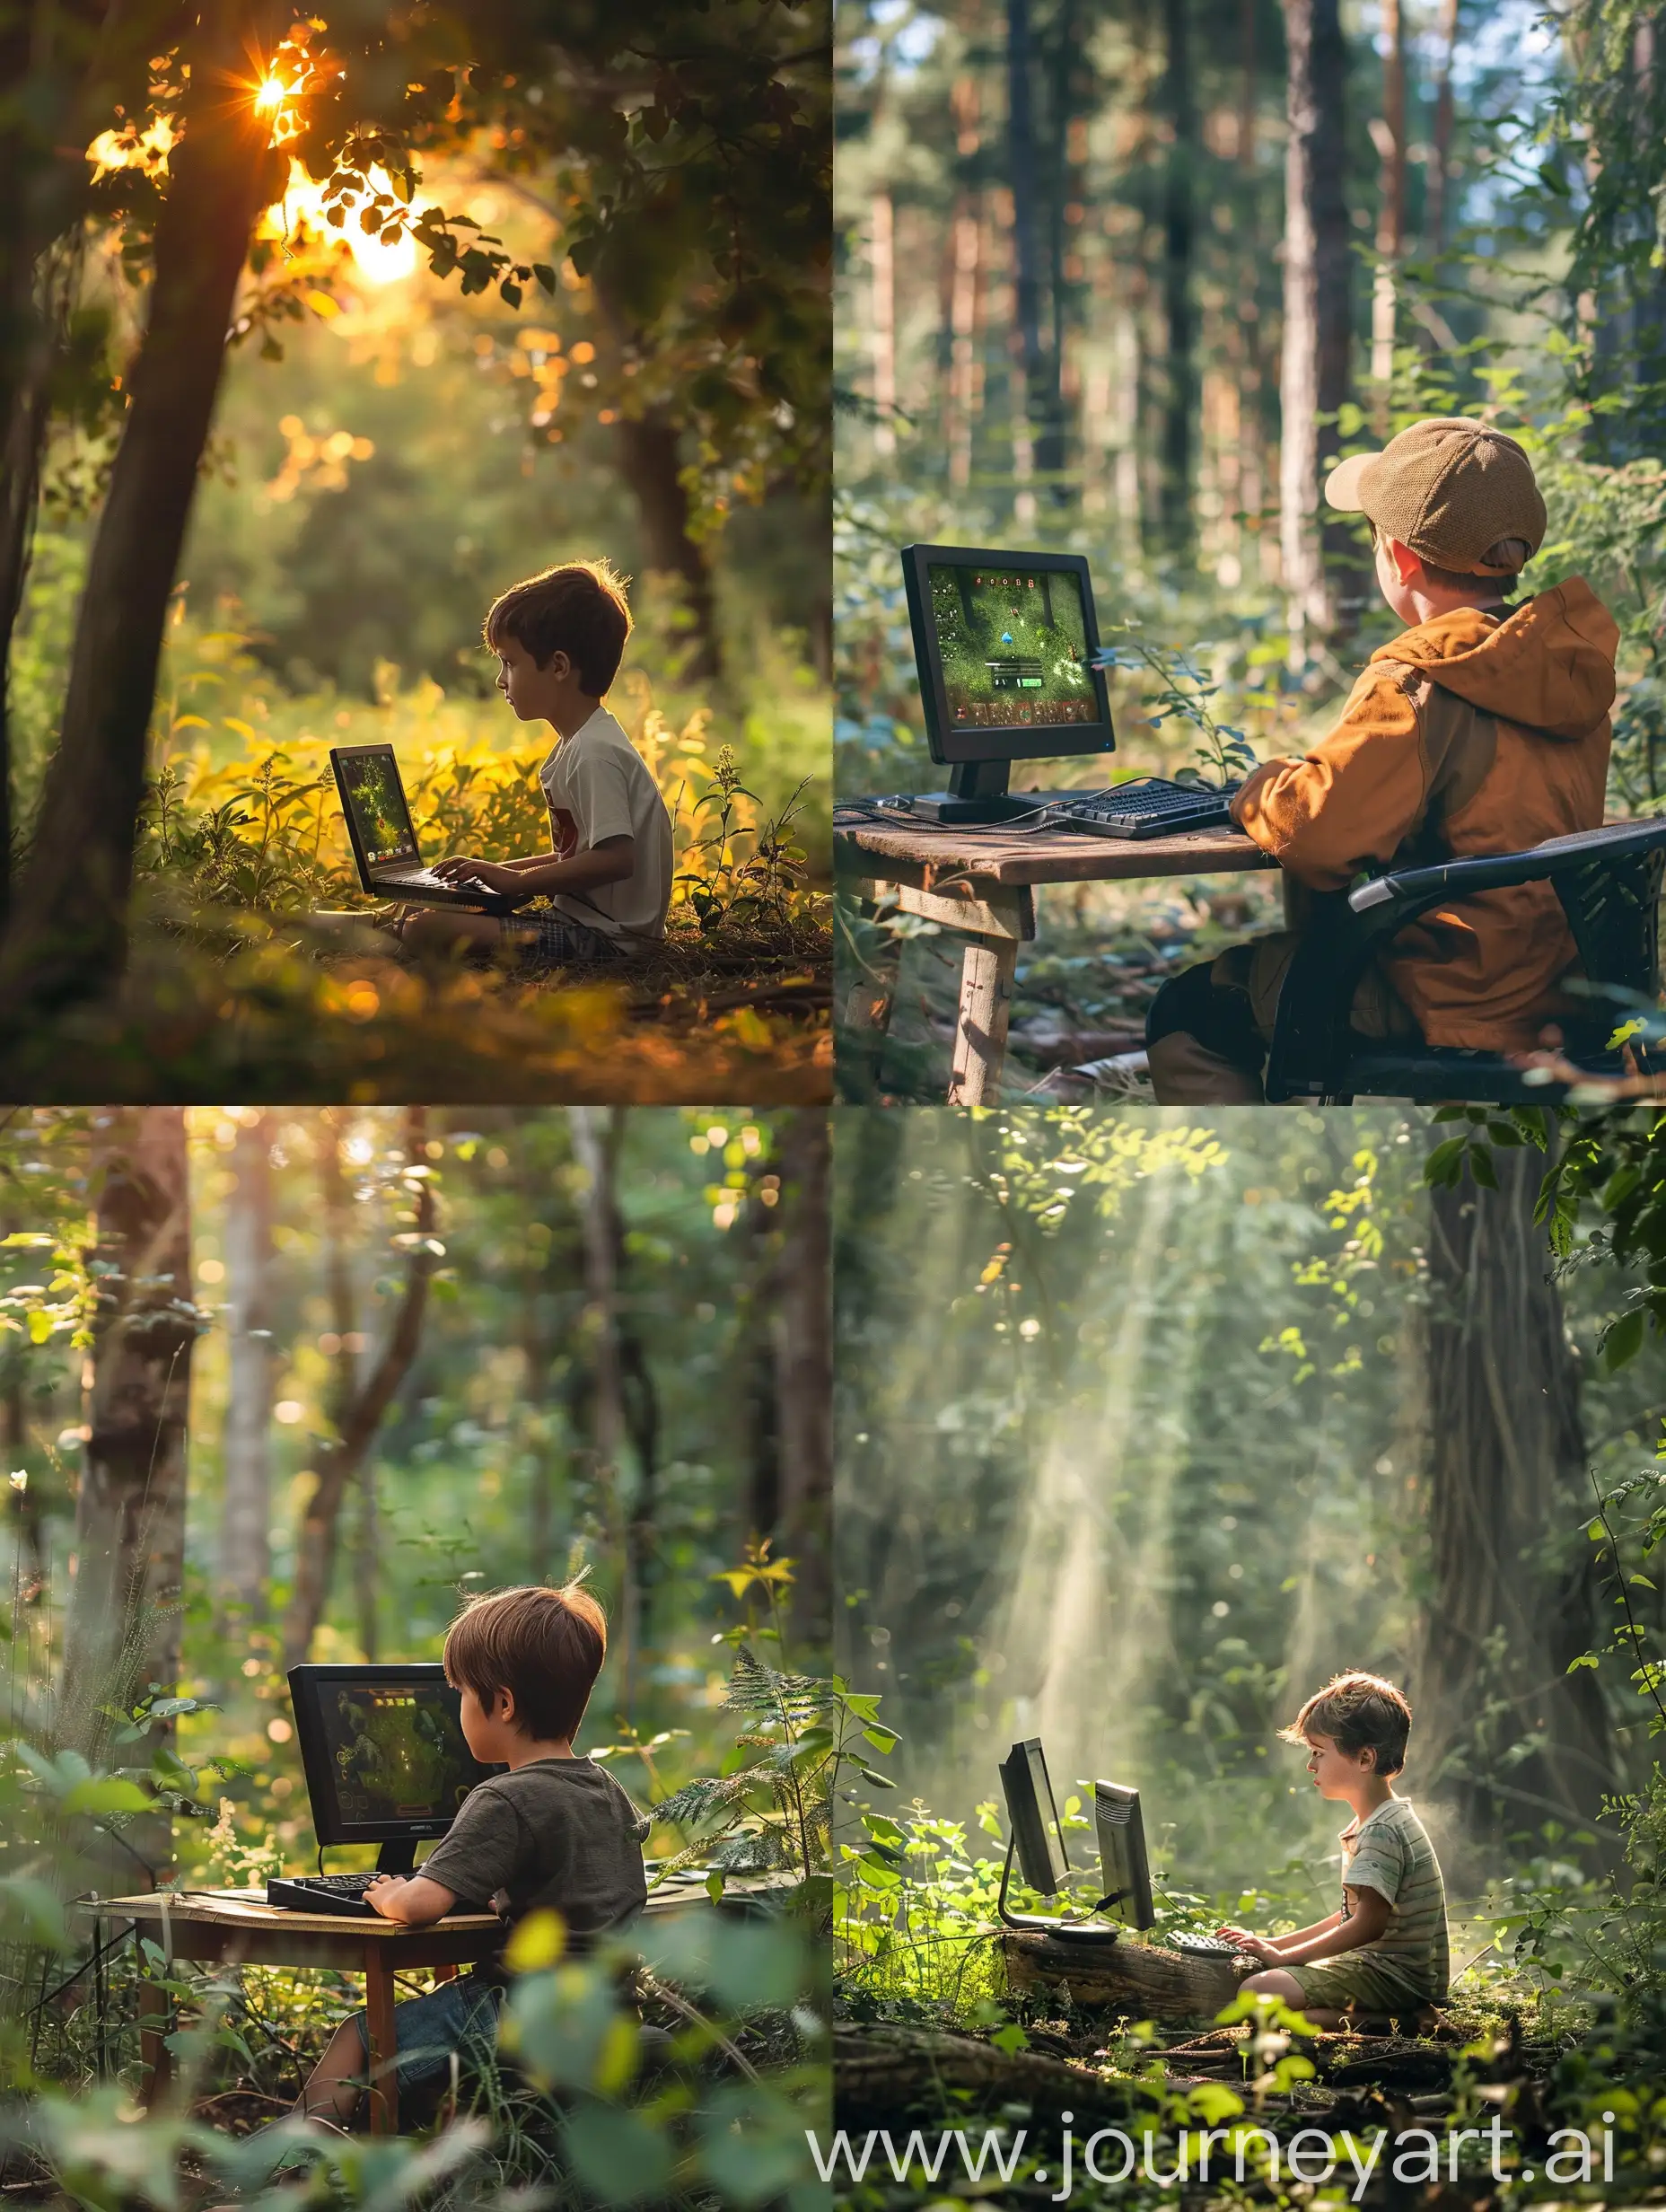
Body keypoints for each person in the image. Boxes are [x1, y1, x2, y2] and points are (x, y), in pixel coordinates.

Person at [1145, 417, 1621, 1102]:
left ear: (1398, 558)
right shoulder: (1568, 667)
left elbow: (1316, 834)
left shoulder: (1419, 680)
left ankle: (1253, 1197)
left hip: (1454, 994)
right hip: (1563, 989)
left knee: (1191, 1011)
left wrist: (1262, 788)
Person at [293, 1580, 650, 2131]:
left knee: (355, 2038)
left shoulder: (505, 1796)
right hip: (610, 2012)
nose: (457, 1708)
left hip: (524, 2013)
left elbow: (420, 1907)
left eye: (460, 1693)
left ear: (502, 1704)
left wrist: (391, 1892)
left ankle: (288, 2176)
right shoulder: (605, 1787)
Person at [391, 559, 674, 966]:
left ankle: (378, 941)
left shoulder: (595, 753)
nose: (500, 679)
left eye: (510, 662)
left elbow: (616, 859)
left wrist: (517, 881)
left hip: (607, 943)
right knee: (422, 913)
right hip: (580, 926)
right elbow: (577, 858)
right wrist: (494, 873)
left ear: (558, 666)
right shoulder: (579, 744)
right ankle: (380, 931)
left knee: (426, 927)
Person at [1217, 1670, 1450, 2031]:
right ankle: (1400, 2019)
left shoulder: (1382, 1830)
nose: (1311, 1765)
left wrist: (1284, 1959)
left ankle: (1405, 2020)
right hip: (1380, 1970)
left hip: (1394, 1977)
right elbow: (1350, 1918)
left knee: (1257, 1993)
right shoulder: (1376, 1821)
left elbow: (1368, 1925)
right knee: (1278, 2009)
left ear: (1364, 1759)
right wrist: (1273, 1944)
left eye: (1319, 1752)